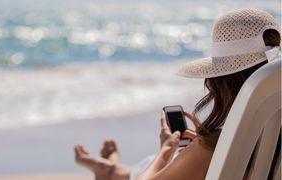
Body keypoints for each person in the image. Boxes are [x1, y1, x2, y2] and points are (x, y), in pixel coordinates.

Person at [74, 8, 281, 180]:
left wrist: (165, 150)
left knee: (161, 162)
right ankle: (112, 170)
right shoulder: (270, 139)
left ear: (219, 82)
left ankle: (111, 171)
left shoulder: (214, 147)